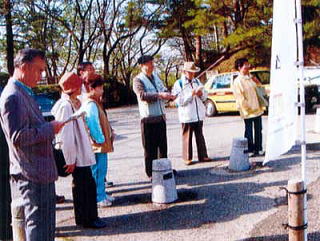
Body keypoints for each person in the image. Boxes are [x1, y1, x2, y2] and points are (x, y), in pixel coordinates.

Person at [0, 48, 64, 241]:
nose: (41, 75)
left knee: (45, 225)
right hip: (31, 172)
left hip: (39, 170)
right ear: (25, 67)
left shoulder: (22, 93)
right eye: (39, 70)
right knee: (38, 225)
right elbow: (18, 137)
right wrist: (49, 129)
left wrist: (47, 127)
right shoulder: (13, 96)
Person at [51, 72, 106, 228]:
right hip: (76, 155)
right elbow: (65, 134)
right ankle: (87, 219)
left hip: (80, 152)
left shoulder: (74, 102)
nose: (83, 87)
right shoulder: (65, 106)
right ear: (74, 88)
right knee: (84, 186)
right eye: (80, 84)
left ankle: (88, 218)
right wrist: (69, 159)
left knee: (86, 185)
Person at [133, 55, 176, 178]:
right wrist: (159, 95)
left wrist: (169, 95)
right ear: (142, 65)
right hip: (148, 119)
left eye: (152, 62)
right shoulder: (137, 80)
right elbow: (142, 95)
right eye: (149, 63)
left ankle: (165, 170)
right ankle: (151, 173)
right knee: (149, 149)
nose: (152, 65)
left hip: (160, 117)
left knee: (162, 147)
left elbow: (163, 89)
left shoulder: (156, 76)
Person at [77, 62, 114, 188]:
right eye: (89, 69)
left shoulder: (92, 85)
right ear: (81, 72)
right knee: (95, 166)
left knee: (100, 165)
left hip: (100, 129)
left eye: (93, 68)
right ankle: (98, 193)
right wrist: (100, 138)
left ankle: (101, 185)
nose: (92, 71)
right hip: (92, 136)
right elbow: (89, 117)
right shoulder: (78, 88)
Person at [81, 75, 115, 207]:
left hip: (100, 144)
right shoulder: (91, 104)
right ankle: (99, 197)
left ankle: (102, 193)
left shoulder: (94, 102)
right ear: (91, 88)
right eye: (100, 88)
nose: (102, 91)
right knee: (98, 171)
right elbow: (92, 123)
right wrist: (100, 139)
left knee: (101, 170)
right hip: (98, 145)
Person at [172, 62, 211, 165]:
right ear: (184, 72)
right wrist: (191, 94)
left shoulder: (197, 81)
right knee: (187, 137)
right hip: (187, 115)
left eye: (193, 72)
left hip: (198, 114)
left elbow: (205, 96)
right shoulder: (178, 84)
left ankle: (203, 156)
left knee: (200, 136)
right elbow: (179, 101)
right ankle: (187, 158)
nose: (192, 74)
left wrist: (201, 94)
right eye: (190, 72)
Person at [232, 58, 265, 157]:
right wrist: (248, 107)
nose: (247, 66)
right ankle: (250, 149)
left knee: (259, 129)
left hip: (257, 108)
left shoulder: (251, 78)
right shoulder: (238, 81)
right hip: (248, 110)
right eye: (245, 65)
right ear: (239, 67)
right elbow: (240, 97)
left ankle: (258, 148)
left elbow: (261, 91)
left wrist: (258, 82)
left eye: (248, 64)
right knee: (249, 130)